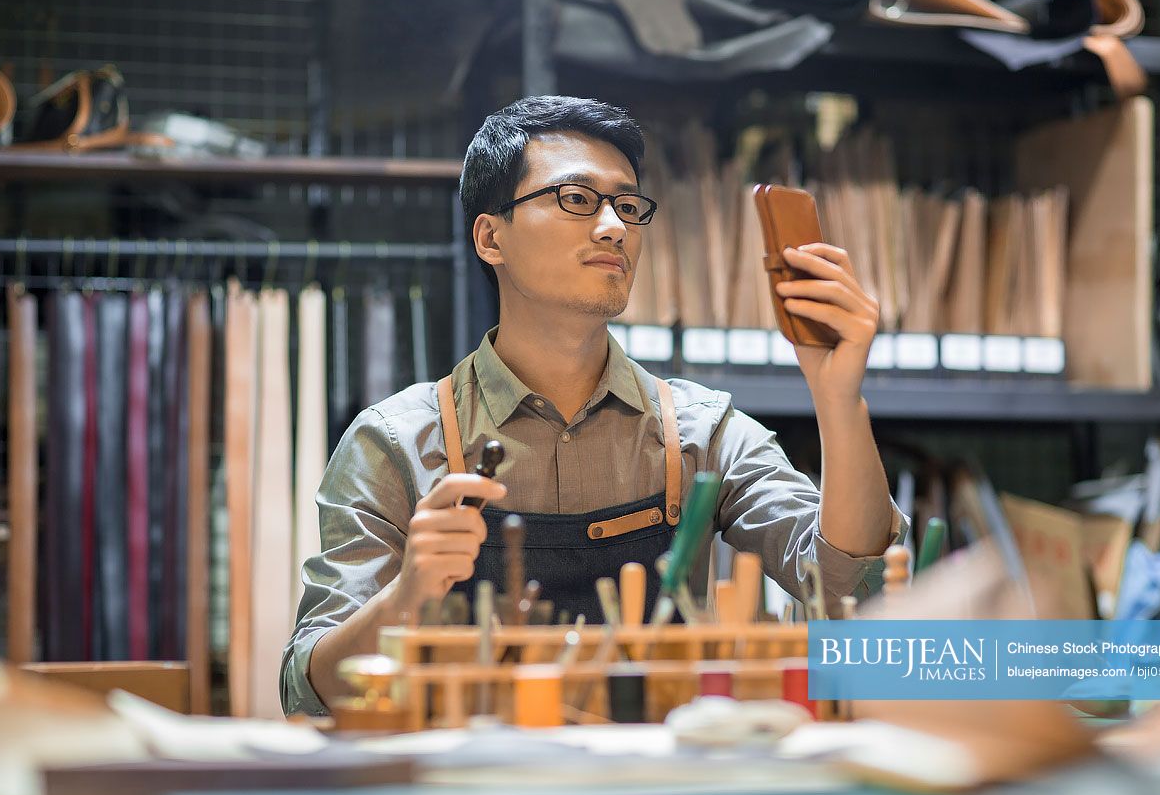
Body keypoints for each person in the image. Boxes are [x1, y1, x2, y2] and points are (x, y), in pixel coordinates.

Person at [282, 95, 907, 715]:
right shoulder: (395, 442)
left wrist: (838, 396)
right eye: (576, 200)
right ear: (490, 236)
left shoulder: (701, 434)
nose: (614, 227)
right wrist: (409, 592)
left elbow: (850, 587)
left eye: (628, 206)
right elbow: (312, 689)